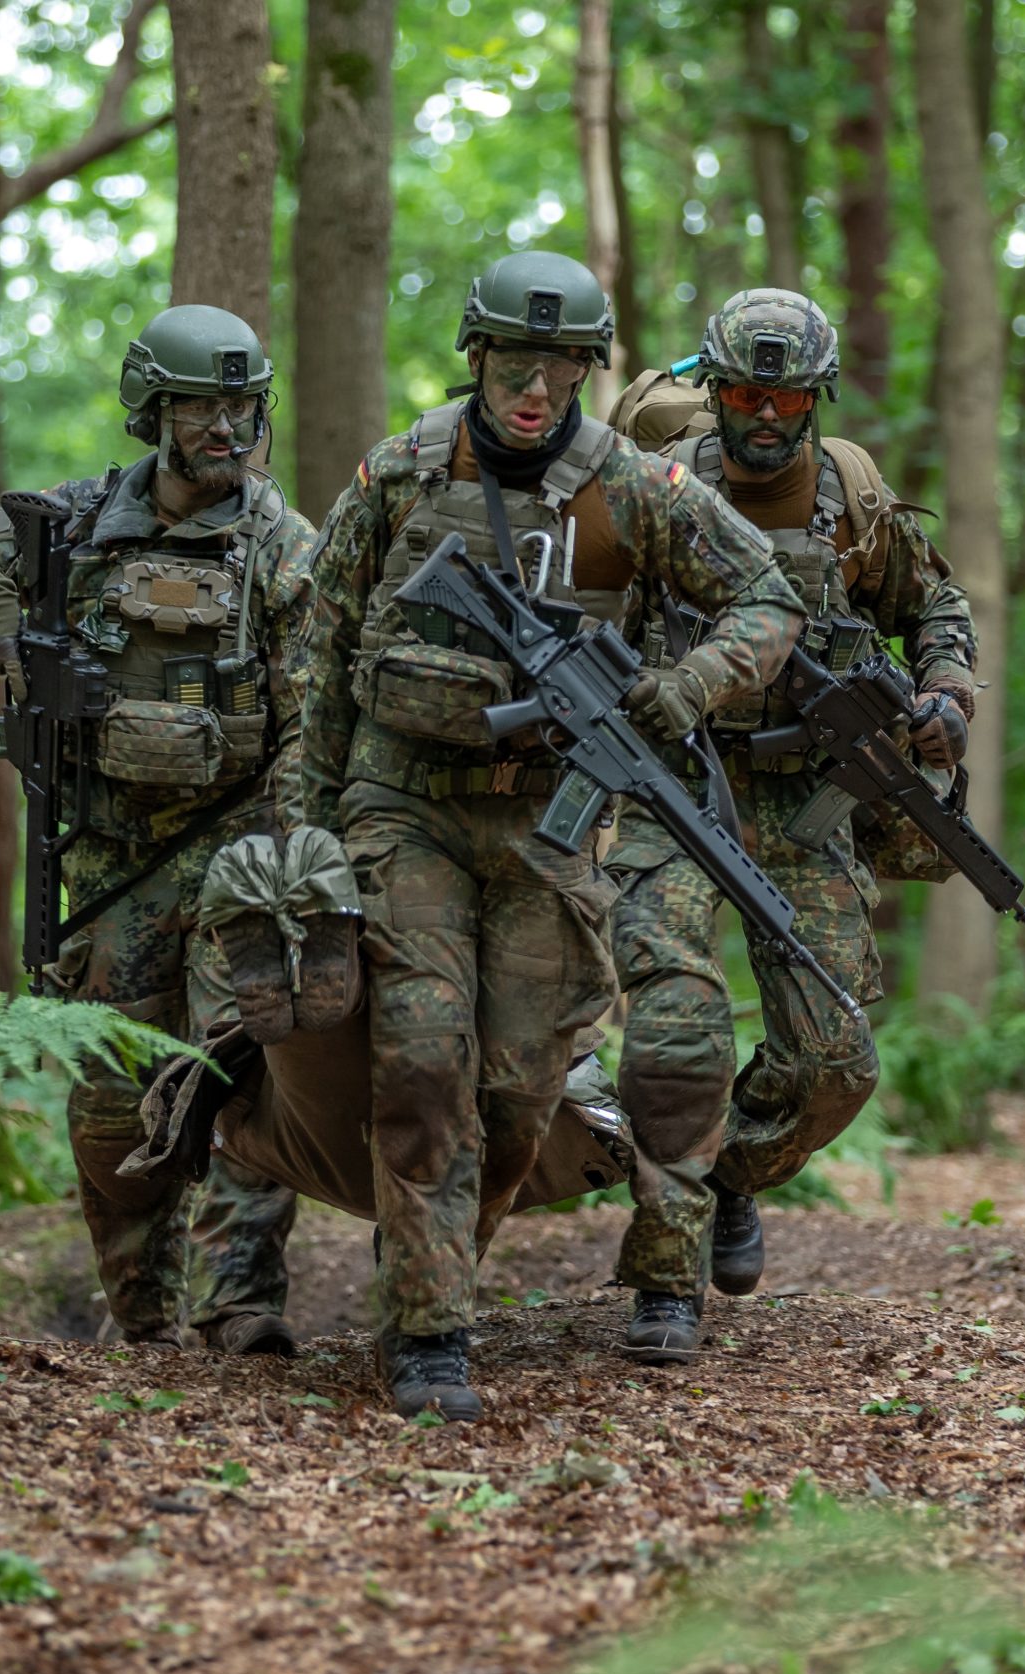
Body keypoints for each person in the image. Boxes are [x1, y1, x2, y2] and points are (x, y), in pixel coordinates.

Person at [284, 250, 803, 1420]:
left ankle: (434, 1255)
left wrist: (690, 684)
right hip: (400, 800)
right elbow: (318, 653)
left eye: (562, 365)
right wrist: (304, 831)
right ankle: (428, 1328)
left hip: (544, 824)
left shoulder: (632, 483)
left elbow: (770, 595)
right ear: (477, 356)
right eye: (516, 361)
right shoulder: (404, 471)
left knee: (521, 1088)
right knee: (423, 1057)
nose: (535, 386)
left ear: (586, 369)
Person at [0, 304, 311, 1353]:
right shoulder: (74, 522)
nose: (226, 427)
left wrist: (284, 845)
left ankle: (244, 1303)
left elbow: (313, 718)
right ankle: (143, 1316)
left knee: (238, 1069)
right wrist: (18, 652)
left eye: (241, 404)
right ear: (155, 411)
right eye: (201, 406)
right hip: (109, 864)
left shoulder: (281, 547)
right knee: (109, 1102)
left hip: (240, 848)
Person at [604, 288, 979, 1362]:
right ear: (713, 391)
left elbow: (933, 609)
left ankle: (726, 1172)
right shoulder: (661, 486)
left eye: (785, 395)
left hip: (807, 796)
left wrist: (946, 692)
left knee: (836, 1059)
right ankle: (663, 1281)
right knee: (676, 1031)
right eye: (741, 392)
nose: (763, 414)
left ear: (815, 398)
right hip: (673, 782)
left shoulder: (851, 496)